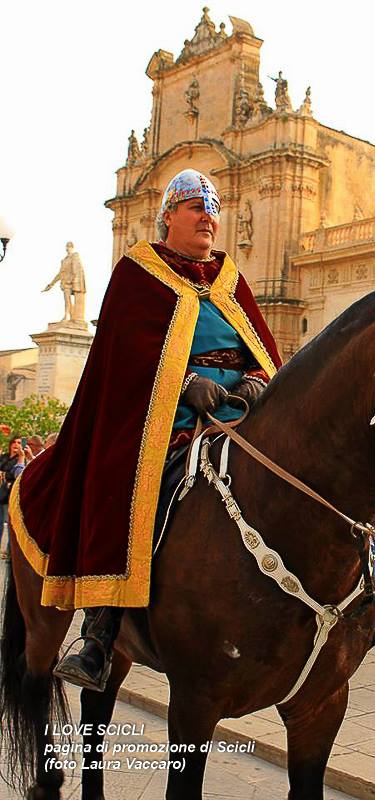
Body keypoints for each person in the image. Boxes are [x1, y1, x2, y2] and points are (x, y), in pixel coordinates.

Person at [10, 168, 281, 691]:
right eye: (195, 207)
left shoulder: (230, 279)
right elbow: (123, 355)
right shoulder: (139, 272)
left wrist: (255, 379)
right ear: (168, 216)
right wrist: (182, 382)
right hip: (163, 418)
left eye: (214, 209)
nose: (208, 217)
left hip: (240, 415)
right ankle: (101, 626)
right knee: (128, 480)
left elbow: (263, 349)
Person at [0, 435, 23, 560]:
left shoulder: (19, 459)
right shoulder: (4, 457)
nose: (16, 444)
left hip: (10, 494)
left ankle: (9, 551)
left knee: (9, 523)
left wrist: (4, 474)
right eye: (14, 442)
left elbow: (15, 474)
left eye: (19, 442)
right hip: (1, 493)